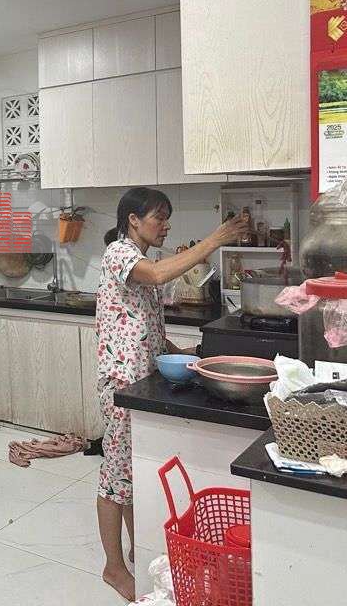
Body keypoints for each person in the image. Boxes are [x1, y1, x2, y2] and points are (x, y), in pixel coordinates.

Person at [95, 187, 248, 601]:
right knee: (114, 479)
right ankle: (113, 568)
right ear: (133, 220)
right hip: (121, 383)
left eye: (167, 218)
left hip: (141, 377)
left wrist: (187, 356)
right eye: (158, 218)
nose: (165, 226)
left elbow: (146, 326)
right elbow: (160, 275)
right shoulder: (119, 253)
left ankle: (135, 549)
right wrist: (215, 239)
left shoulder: (140, 258)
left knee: (130, 473)